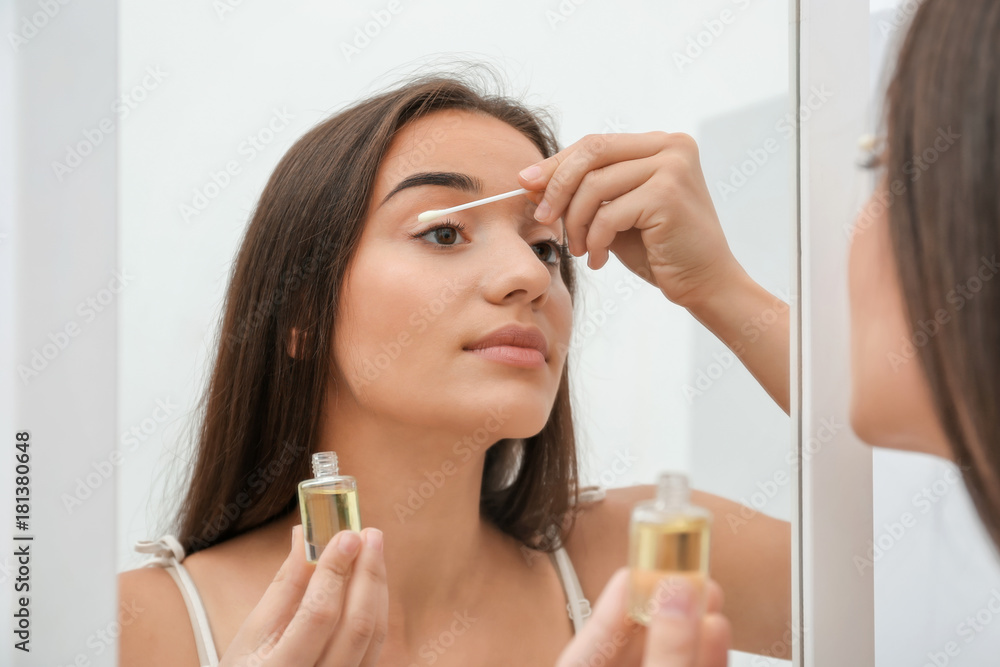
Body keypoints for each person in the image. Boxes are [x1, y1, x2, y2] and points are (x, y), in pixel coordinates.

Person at [118, 65, 792, 666]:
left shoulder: (638, 560)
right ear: (300, 314)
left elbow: (894, 579)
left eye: (546, 246)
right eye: (444, 233)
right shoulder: (139, 629)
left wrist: (722, 290)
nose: (526, 274)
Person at [556, 0, 1000, 664]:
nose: (524, 278)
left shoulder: (625, 541)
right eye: (443, 233)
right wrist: (719, 289)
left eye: (883, 166)